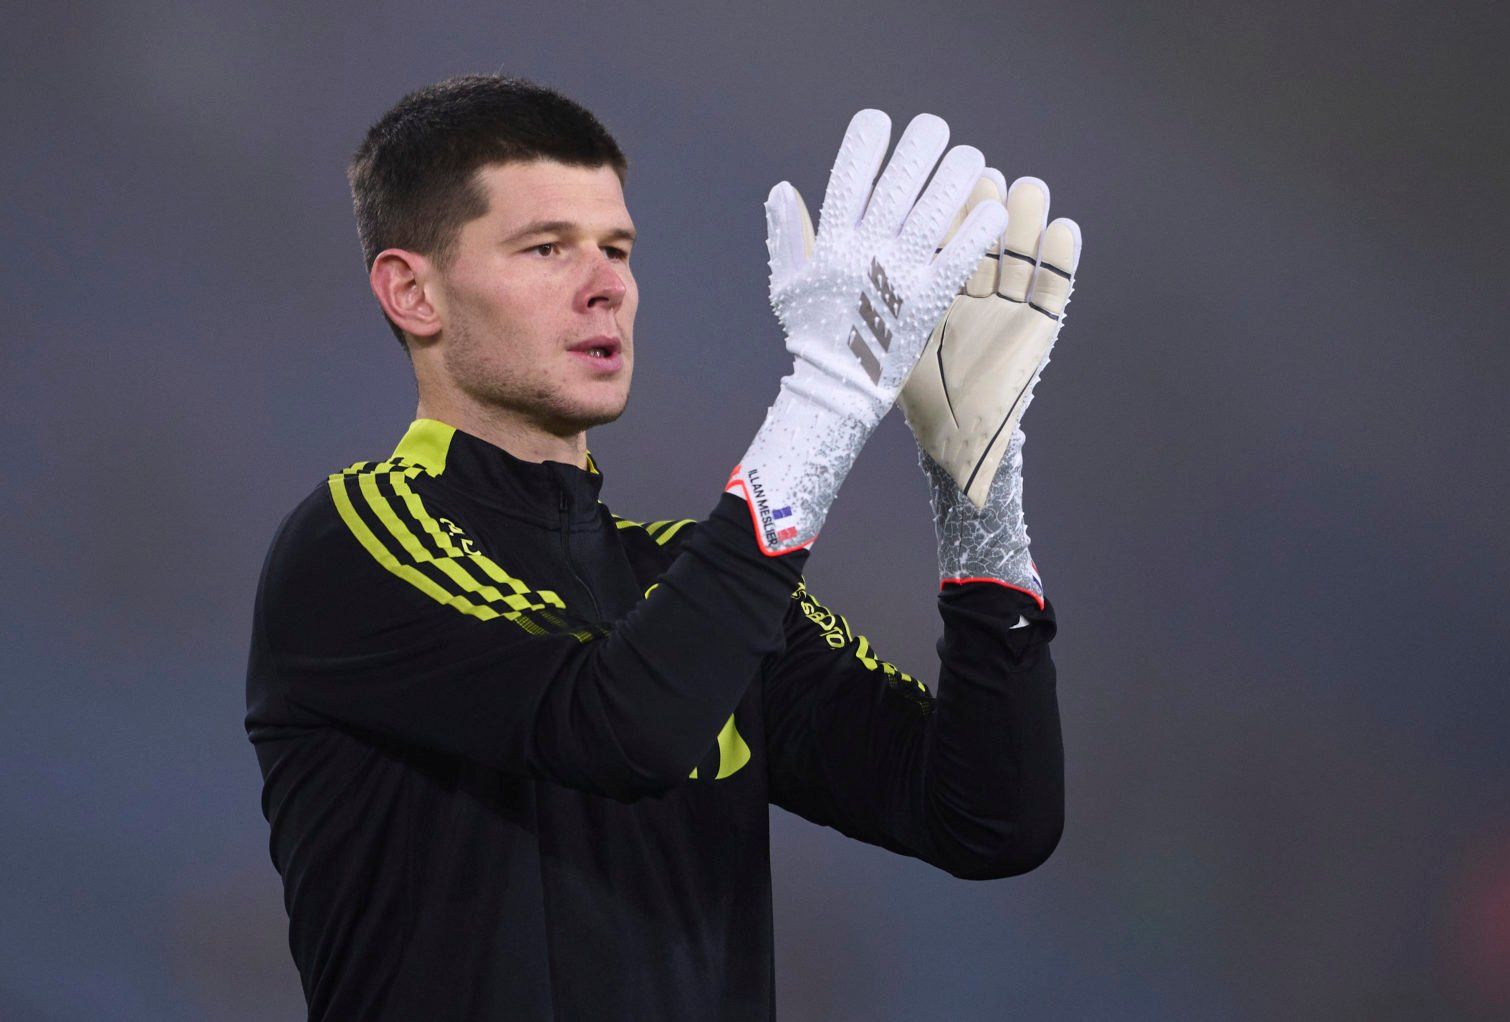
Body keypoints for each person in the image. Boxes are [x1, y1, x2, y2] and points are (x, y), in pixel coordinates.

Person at [246, 73, 1080, 1021]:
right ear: (413, 292)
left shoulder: (684, 581)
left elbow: (989, 819)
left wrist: (977, 492)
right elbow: (620, 727)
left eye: (617, 248)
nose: (606, 286)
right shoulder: (352, 543)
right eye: (547, 248)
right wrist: (829, 396)